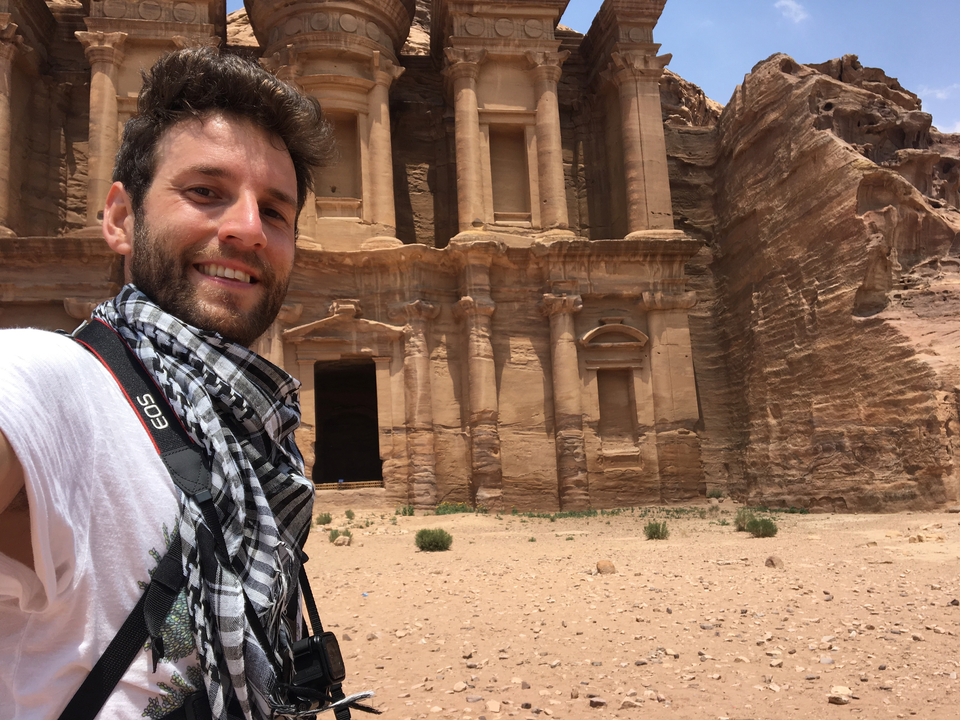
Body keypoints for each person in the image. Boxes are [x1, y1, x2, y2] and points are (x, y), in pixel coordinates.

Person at [0, 47, 334, 719]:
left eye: (275, 211)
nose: (246, 228)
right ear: (121, 219)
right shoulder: (57, 384)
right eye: (205, 192)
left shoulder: (258, 446)